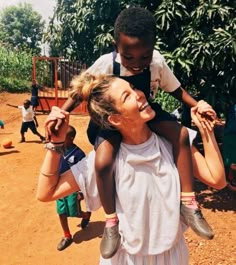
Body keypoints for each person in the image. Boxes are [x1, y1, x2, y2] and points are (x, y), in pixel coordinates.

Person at [59, 7, 217, 258]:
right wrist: (62, 112)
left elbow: (175, 90)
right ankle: (111, 222)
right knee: (102, 162)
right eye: (128, 57)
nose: (136, 64)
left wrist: (196, 105)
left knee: (181, 136)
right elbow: (80, 91)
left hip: (145, 112)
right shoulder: (105, 62)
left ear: (153, 47)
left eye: (143, 57)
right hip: (111, 122)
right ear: (116, 45)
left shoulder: (157, 63)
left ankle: (188, 203)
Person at [37, 74, 226, 265]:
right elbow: (46, 192)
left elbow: (217, 180)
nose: (140, 94)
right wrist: (55, 144)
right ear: (116, 119)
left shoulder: (172, 144)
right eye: (127, 96)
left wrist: (206, 129)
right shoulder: (104, 162)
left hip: (173, 258)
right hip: (126, 260)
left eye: (134, 88)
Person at [56, 125, 91, 251]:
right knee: (61, 212)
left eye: (63, 137)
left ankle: (86, 215)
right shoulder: (58, 150)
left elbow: (84, 174)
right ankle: (67, 236)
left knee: (74, 212)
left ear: (71, 138)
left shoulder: (78, 153)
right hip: (59, 188)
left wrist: (81, 191)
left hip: (73, 189)